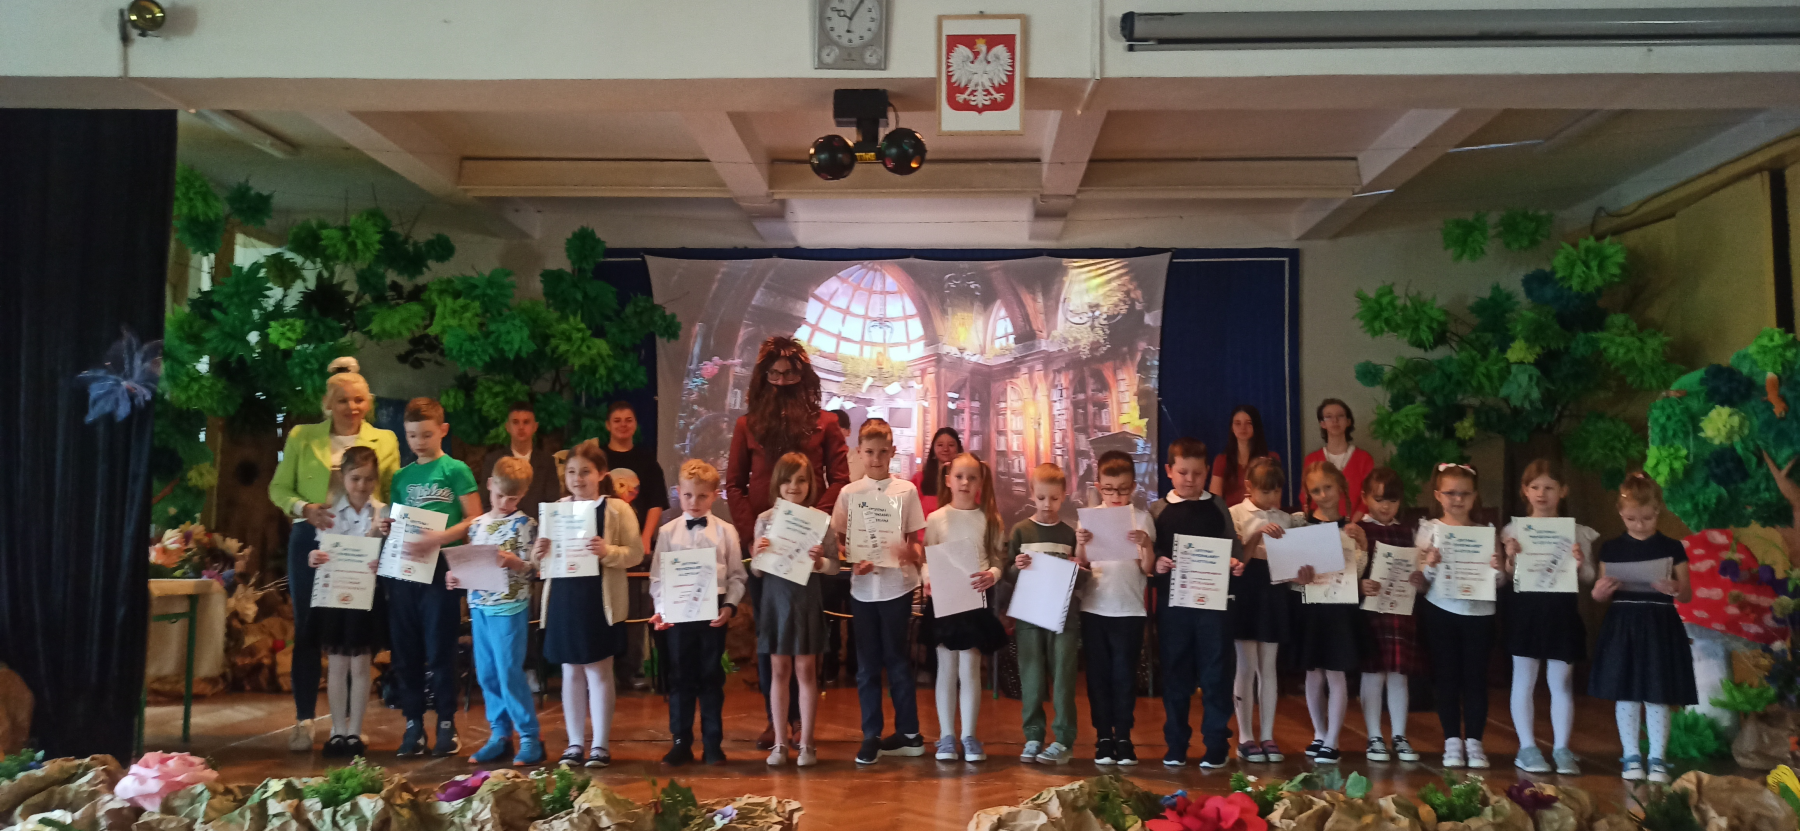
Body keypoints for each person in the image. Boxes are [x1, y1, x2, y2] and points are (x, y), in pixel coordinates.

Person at [267, 357, 400, 752]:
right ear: (327, 403)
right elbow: (279, 489)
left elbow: (392, 491)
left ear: (368, 402)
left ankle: (350, 728)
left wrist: (386, 532)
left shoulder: (386, 440)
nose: (351, 407)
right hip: (313, 542)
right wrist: (304, 508)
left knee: (357, 636)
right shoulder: (302, 436)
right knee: (309, 628)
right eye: (342, 400)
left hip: (365, 544)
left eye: (359, 399)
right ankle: (304, 720)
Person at [727, 337, 849, 748]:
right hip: (768, 550)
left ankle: (802, 722)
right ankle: (776, 721)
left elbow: (840, 479)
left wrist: (816, 524)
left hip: (809, 552)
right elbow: (734, 484)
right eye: (774, 373)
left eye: (790, 373)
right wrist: (753, 536)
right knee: (771, 638)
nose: (781, 380)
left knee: (806, 640)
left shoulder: (826, 423)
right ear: (763, 376)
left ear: (803, 375)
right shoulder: (746, 425)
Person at [378, 397, 483, 757]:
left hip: (441, 568)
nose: (419, 442)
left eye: (426, 434)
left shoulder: (456, 470)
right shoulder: (401, 477)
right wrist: (387, 527)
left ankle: (446, 723)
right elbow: (396, 522)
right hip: (405, 569)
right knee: (405, 649)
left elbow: (475, 519)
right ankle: (412, 724)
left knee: (440, 648)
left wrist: (438, 537)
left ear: (443, 430)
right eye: (412, 436)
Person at [533, 439, 644, 768]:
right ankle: (574, 743)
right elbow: (542, 560)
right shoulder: (557, 508)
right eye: (571, 472)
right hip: (564, 597)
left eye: (585, 472)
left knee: (598, 670)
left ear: (602, 474)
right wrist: (537, 552)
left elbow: (635, 553)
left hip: (598, 598)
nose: (577, 478)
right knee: (570, 671)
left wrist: (608, 552)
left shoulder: (617, 509)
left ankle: (600, 745)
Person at [832, 417, 927, 766]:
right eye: (869, 452)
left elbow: (917, 546)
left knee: (898, 662)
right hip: (862, 591)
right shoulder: (849, 493)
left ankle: (909, 734)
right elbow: (840, 544)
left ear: (892, 452)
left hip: (896, 589)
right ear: (859, 452)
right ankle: (870, 734)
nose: (876, 459)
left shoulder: (906, 491)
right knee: (867, 666)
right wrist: (851, 559)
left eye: (882, 452)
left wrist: (908, 552)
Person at [1589, 473, 1695, 784]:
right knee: (1627, 693)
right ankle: (1631, 755)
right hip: (1623, 624)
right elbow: (1599, 594)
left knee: (1657, 692)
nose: (1639, 524)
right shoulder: (1611, 548)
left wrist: (1674, 587)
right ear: (1620, 513)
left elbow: (1687, 594)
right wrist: (1601, 590)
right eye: (1631, 519)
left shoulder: (1672, 546)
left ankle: (1658, 758)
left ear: (1658, 510)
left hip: (1660, 623)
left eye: (1647, 518)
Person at [1150, 438, 1244, 768]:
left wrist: (1235, 563)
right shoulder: (1157, 510)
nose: (1190, 479)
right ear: (1169, 471)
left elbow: (1233, 547)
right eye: (1183, 472)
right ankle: (1176, 744)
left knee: (1216, 674)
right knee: (1176, 674)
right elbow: (1149, 553)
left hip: (1213, 609)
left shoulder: (1217, 506)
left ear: (1207, 472)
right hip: (1173, 609)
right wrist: (1157, 562)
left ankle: (1216, 744)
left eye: (1198, 473)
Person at [1500, 459, 1598, 776]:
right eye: (1535, 487)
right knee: (1523, 679)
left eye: (1549, 487)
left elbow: (1589, 577)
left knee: (1561, 682)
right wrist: (1511, 558)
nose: (1542, 494)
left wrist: (1580, 562)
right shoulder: (1513, 530)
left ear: (1563, 491)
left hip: (1561, 612)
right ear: (1525, 491)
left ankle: (1562, 748)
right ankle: (1527, 747)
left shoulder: (1576, 532)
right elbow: (1509, 575)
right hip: (1526, 611)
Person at [650, 460, 748, 767]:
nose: (694, 502)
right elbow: (657, 578)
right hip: (678, 616)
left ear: (715, 495)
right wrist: (662, 609)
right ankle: (680, 742)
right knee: (680, 678)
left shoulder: (726, 532)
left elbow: (737, 576)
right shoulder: (667, 532)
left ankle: (712, 744)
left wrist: (729, 606)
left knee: (711, 677)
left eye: (702, 496)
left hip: (712, 614)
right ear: (678, 493)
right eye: (688, 495)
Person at [449, 456, 543, 767]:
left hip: (510, 607)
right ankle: (499, 735)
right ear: (489, 485)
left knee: (508, 671)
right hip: (480, 606)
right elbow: (470, 564)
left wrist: (515, 563)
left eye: (512, 498)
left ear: (523, 494)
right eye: (500, 495)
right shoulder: (477, 525)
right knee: (487, 672)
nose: (504, 503)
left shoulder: (526, 525)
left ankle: (529, 736)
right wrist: (456, 577)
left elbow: (534, 570)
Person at [751, 453, 839, 767]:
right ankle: (779, 743)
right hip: (776, 601)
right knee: (779, 670)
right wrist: (757, 553)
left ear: (810, 484)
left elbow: (834, 566)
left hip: (805, 600)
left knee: (806, 671)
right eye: (787, 480)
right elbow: (757, 571)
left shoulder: (820, 520)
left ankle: (807, 744)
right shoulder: (765, 519)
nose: (794, 486)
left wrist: (820, 562)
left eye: (801, 480)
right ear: (777, 483)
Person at [1416, 462, 1506, 769]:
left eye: (1465, 493)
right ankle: (1452, 741)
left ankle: (1475, 742)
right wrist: (1430, 565)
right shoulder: (1429, 530)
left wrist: (1497, 571)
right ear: (1438, 495)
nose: (1458, 499)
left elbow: (1500, 581)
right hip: (1441, 610)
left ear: (1475, 496)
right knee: (1447, 677)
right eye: (1451, 493)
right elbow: (1419, 582)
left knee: (1476, 678)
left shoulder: (1485, 532)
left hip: (1479, 614)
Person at [922, 453, 1007, 763]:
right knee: (946, 667)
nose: (965, 483)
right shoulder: (936, 518)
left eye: (972, 477)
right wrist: (928, 580)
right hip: (944, 601)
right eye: (959, 476)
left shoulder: (989, 519)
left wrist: (992, 575)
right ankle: (946, 736)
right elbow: (927, 559)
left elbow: (997, 560)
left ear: (980, 482)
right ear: (948, 480)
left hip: (974, 603)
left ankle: (969, 735)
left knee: (970, 667)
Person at [303, 445, 386, 758]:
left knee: (361, 665)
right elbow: (320, 551)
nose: (362, 485)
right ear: (344, 478)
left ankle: (355, 732)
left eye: (368, 479)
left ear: (376, 479)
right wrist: (314, 557)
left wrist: (381, 554)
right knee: (337, 664)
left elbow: (390, 555)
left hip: (366, 595)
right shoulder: (329, 514)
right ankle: (337, 729)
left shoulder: (383, 513)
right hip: (335, 596)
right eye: (355, 478)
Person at [1074, 450, 1155, 767]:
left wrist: (1146, 544)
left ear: (1133, 486)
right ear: (1098, 487)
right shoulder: (1090, 517)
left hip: (1129, 609)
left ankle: (1123, 736)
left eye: (1122, 489)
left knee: (1124, 676)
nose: (1116, 495)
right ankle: (1103, 737)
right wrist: (1081, 541)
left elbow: (1147, 568)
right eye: (1109, 489)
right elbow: (1082, 562)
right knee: (1097, 676)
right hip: (1095, 606)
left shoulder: (1142, 518)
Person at [1291, 460, 1370, 765]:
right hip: (1311, 608)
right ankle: (1319, 733)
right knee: (1313, 673)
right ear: (1308, 494)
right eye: (1316, 490)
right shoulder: (1300, 526)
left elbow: (1357, 572)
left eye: (1328, 488)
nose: (1323, 495)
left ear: (1341, 488)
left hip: (1339, 609)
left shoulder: (1350, 529)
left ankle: (1333, 738)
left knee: (1336, 673)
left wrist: (1363, 546)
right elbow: (1290, 573)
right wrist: (1298, 577)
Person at [1008, 463, 1084, 766]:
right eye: (1041, 498)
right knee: (1032, 676)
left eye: (1054, 498)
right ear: (1032, 494)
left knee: (1064, 675)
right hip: (1029, 614)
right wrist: (1017, 567)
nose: (1047, 505)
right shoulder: (1020, 530)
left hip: (1063, 616)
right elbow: (1008, 572)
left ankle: (1064, 739)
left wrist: (1078, 567)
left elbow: (1081, 576)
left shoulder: (1070, 533)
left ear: (1064, 496)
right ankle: (1033, 736)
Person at [1228, 457, 1302, 764]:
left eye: (1276, 491)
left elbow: (1292, 566)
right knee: (1245, 666)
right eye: (1265, 491)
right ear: (1249, 486)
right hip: (1246, 587)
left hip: (1273, 590)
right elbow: (1239, 559)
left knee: (1268, 666)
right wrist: (1257, 533)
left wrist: (1301, 572)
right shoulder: (1235, 513)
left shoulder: (1286, 519)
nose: (1272, 498)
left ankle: (1268, 735)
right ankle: (1245, 737)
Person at [1355, 467, 1426, 764]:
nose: (1385, 506)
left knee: (1398, 674)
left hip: (1400, 613)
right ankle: (1374, 735)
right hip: (1371, 614)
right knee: (1373, 674)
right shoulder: (1359, 530)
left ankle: (1399, 735)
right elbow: (1349, 571)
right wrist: (1360, 584)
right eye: (1379, 499)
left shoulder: (1408, 532)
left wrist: (1419, 580)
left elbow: (1418, 572)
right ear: (1365, 497)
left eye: (1392, 500)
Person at [602, 401, 669, 552]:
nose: (623, 425)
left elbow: (656, 502)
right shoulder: (598, 459)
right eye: (617, 421)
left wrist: (645, 538)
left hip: (637, 539)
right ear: (608, 425)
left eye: (628, 420)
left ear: (635, 424)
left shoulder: (647, 460)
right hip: (603, 539)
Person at [482, 402, 561, 521]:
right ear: (507, 426)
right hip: (501, 526)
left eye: (526, 422)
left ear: (535, 427)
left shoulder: (547, 461)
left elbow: (552, 503)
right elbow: (485, 502)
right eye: (515, 422)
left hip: (537, 527)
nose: (521, 427)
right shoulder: (493, 460)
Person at [1300, 399, 1375, 518]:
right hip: (1320, 523)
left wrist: (1351, 524)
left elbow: (1368, 497)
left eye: (1340, 416)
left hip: (1356, 524)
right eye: (1329, 417)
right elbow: (1306, 496)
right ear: (1322, 423)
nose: (1335, 420)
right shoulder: (1312, 459)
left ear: (1348, 421)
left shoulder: (1364, 459)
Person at [1210, 405, 1279, 508]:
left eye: (1248, 423)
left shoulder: (1271, 458)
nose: (1243, 428)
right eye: (1237, 423)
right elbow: (1215, 501)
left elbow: (1275, 500)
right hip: (1231, 514)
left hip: (1262, 514)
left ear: (1256, 426)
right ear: (1232, 427)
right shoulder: (1221, 460)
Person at [914, 427, 963, 516]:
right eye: (940, 445)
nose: (945, 449)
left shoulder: (966, 479)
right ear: (933, 449)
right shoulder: (919, 478)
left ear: (958, 448)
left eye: (951, 445)